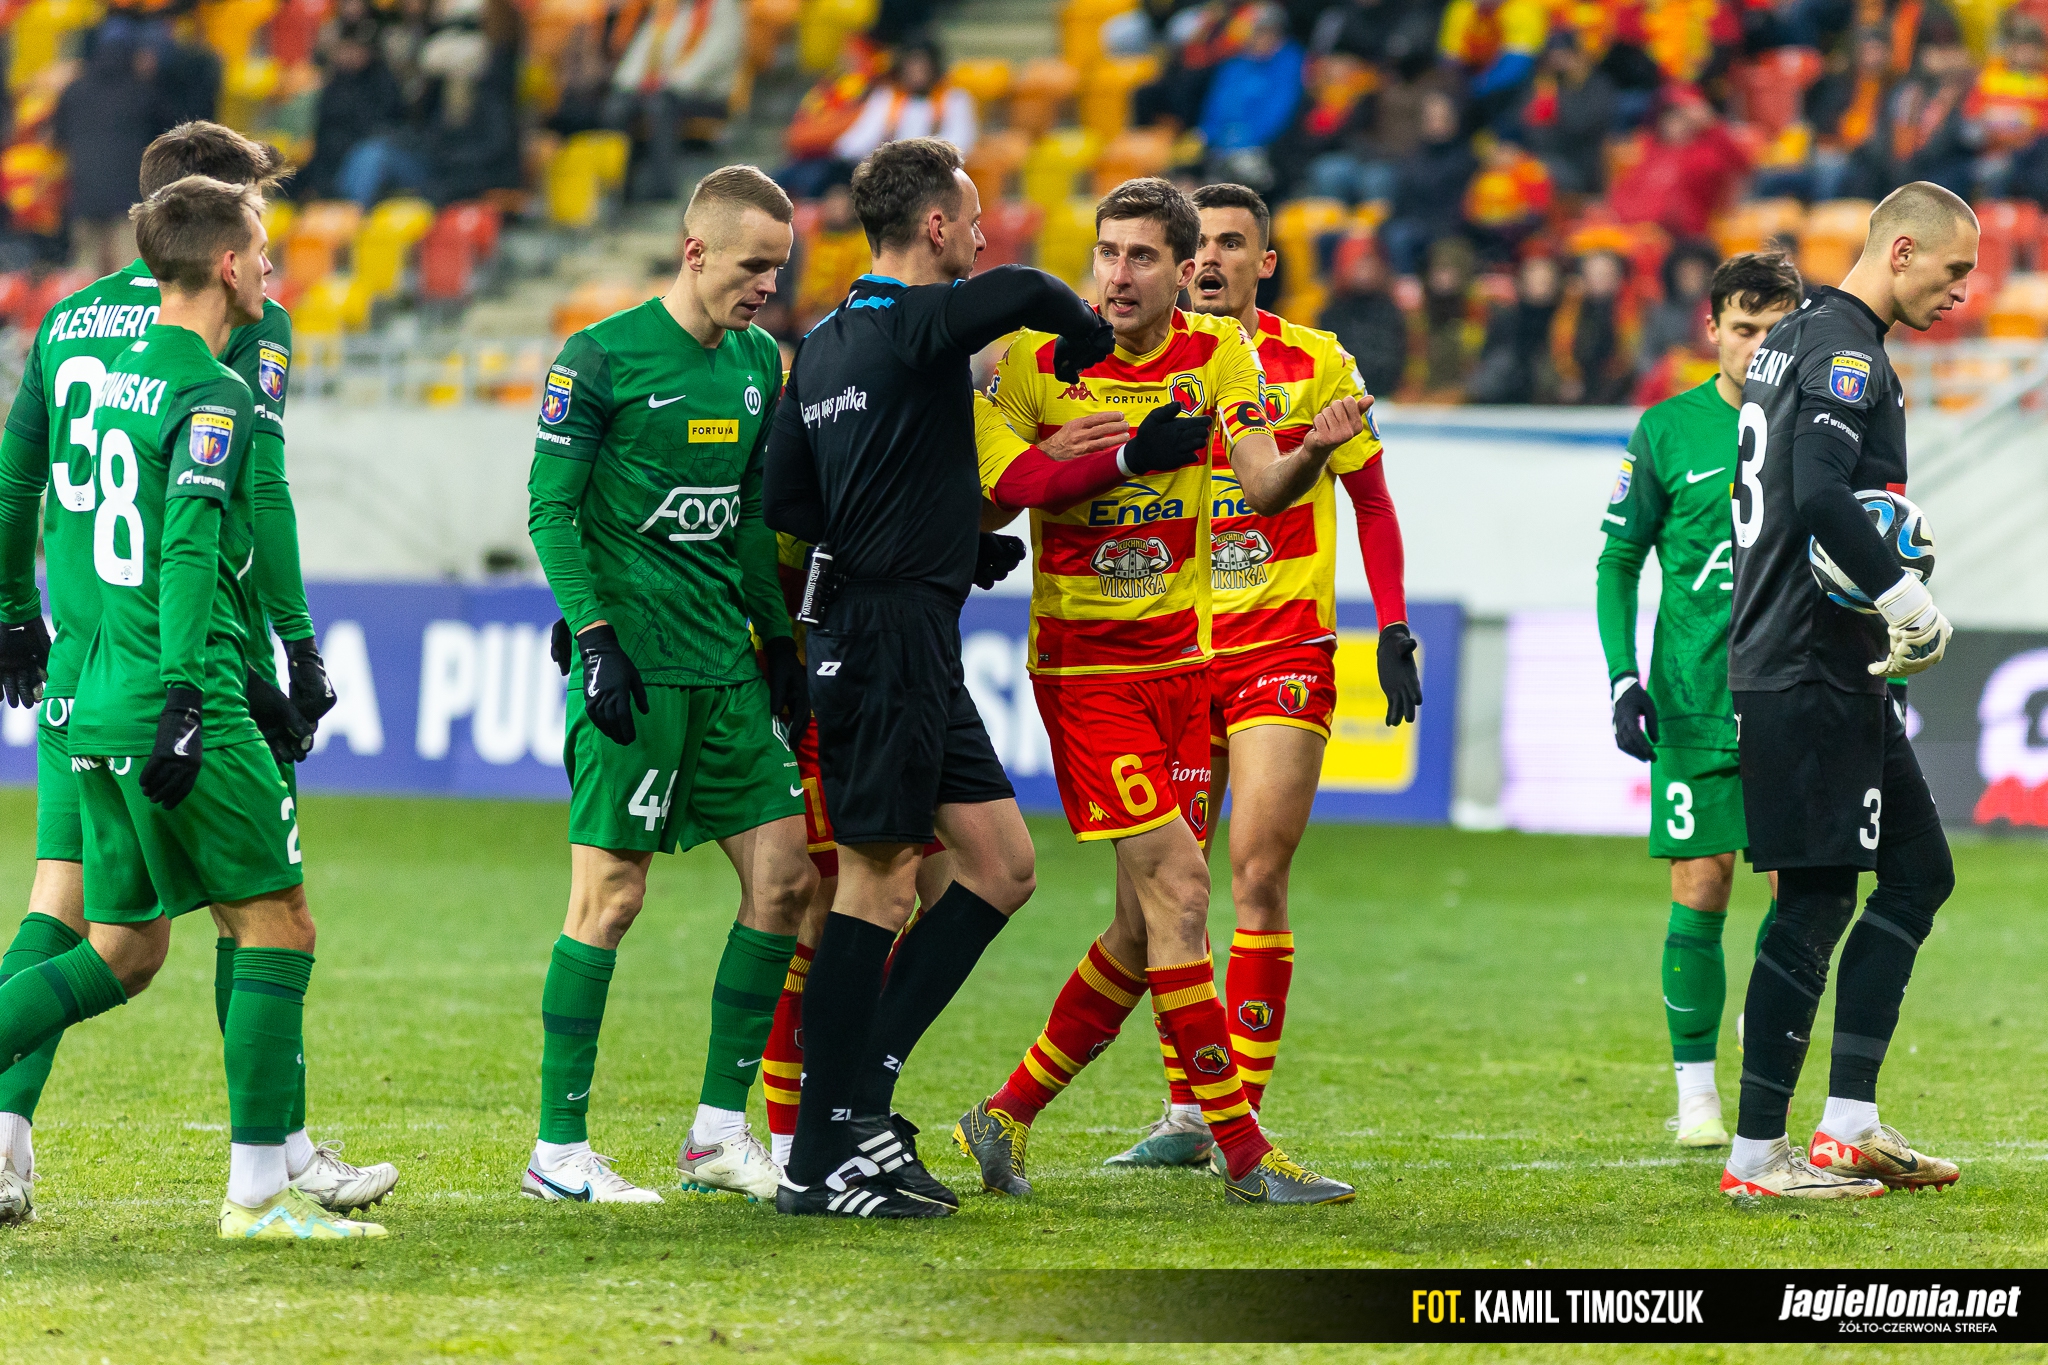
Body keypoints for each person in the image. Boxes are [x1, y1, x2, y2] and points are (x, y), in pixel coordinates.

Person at [952, 175, 1357, 1208]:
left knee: (1142, 930)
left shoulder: (1219, 355)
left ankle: (1003, 1114)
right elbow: (990, 495)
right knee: (1183, 892)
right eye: (1106, 253)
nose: (1117, 275)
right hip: (1088, 674)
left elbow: (1261, 483)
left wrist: (1311, 448)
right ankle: (1244, 1153)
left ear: (1184, 271)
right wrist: (1080, 458)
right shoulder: (1038, 360)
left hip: (1183, 669)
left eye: (1141, 257)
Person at [0, 121, 376, 1227]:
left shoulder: (75, 324)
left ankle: (8, 1140)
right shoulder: (218, 359)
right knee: (263, 914)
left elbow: (18, 474)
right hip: (184, 663)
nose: (272, 254)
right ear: (221, 233)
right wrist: (282, 648)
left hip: (82, 663)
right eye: (258, 221)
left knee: (89, 923)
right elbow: (239, 506)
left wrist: (16, 611)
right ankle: (271, 1166)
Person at [759, 136, 1118, 1219]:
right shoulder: (911, 322)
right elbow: (1025, 291)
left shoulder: (822, 349)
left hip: (897, 627)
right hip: (883, 640)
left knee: (1001, 865)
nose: (980, 233)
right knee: (873, 882)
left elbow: (793, 503)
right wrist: (1087, 336)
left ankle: (859, 1099)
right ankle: (823, 1153)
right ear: (932, 227)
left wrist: (944, 540)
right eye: (969, 216)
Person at [1095, 182, 1416, 1172]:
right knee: (1168, 892)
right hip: (1176, 651)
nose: (1211, 259)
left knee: (1256, 873)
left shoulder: (1314, 362)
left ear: (1263, 262)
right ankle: (1185, 1112)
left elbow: (1371, 502)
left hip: (1281, 646)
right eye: (1198, 243)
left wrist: (1392, 625)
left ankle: (1237, 1114)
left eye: (1232, 243)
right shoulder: (1149, 366)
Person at [521, 165, 814, 1206]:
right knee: (611, 897)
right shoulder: (598, 358)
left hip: (725, 668)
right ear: (695, 252)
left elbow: (747, 516)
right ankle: (558, 1151)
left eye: (778, 270)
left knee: (785, 881)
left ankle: (716, 1135)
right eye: (753, 267)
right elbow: (550, 510)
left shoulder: (759, 362)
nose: (767, 287)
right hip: (635, 669)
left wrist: (778, 643)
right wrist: (594, 635)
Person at [757, 392, 1137, 1171]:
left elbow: (946, 498)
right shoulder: (841, 383)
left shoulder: (944, 398)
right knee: (828, 908)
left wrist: (958, 539)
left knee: (982, 876)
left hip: (908, 661)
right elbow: (792, 527)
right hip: (821, 671)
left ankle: (855, 1101)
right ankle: (801, 1140)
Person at [1723, 182, 1974, 1200]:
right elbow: (1821, 492)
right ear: (1901, 250)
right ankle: (1754, 1156)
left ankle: (1848, 1125)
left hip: (1827, 661)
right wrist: (1903, 595)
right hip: (1807, 661)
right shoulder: (1843, 352)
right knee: (1817, 897)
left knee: (1917, 874)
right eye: (1953, 271)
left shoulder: (1795, 338)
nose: (1962, 292)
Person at [1597, 250, 1801, 1150]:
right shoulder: (1667, 429)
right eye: (1743, 328)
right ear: (1712, 327)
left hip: (1794, 691)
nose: (1757, 347)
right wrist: (1622, 676)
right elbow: (1618, 559)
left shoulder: (1821, 427)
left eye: (1775, 331)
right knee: (1703, 880)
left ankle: (1762, 1036)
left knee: (1802, 891)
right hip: (1691, 693)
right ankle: (1696, 1097)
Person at [832, 37, 977, 166]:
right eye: (912, 65)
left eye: (923, 66)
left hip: (936, 173)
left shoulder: (955, 99)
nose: (917, 72)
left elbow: (961, 144)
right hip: (891, 173)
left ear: (934, 67)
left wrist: (917, 157)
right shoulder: (886, 98)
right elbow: (852, 145)